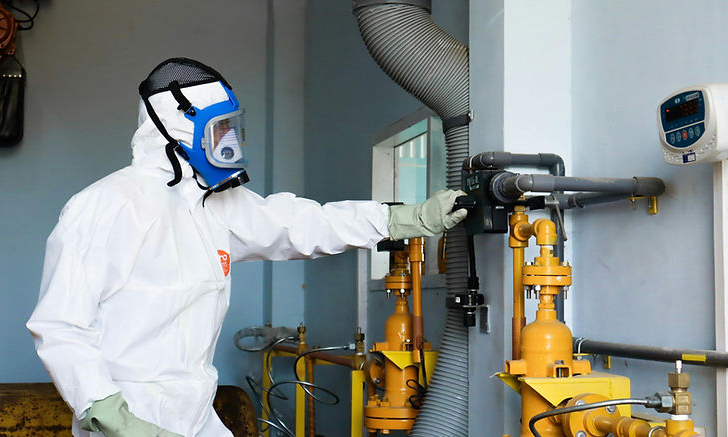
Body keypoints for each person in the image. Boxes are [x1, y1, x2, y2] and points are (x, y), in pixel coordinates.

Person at [26, 58, 468, 437]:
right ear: (177, 131)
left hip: (195, 412)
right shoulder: (106, 205)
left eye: (232, 129)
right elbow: (62, 324)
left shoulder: (212, 205)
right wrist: (109, 414)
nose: (229, 143)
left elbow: (299, 222)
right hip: (128, 416)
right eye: (219, 130)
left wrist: (402, 218)